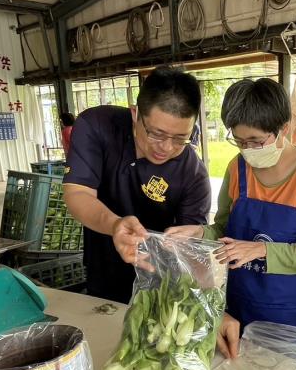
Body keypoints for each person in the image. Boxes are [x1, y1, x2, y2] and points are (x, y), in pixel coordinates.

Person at [168, 78, 296, 359]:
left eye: (257, 141)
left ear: (284, 128)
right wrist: (199, 234)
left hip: (292, 316)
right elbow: (223, 229)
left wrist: (261, 250)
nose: (248, 150)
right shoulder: (237, 169)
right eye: (240, 141)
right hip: (240, 309)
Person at [63, 68, 211, 304]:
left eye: (180, 139)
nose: (166, 147)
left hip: (160, 280)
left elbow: (191, 246)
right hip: (104, 267)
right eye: (156, 134)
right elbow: (77, 193)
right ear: (135, 114)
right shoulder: (97, 126)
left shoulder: (193, 174)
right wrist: (115, 225)